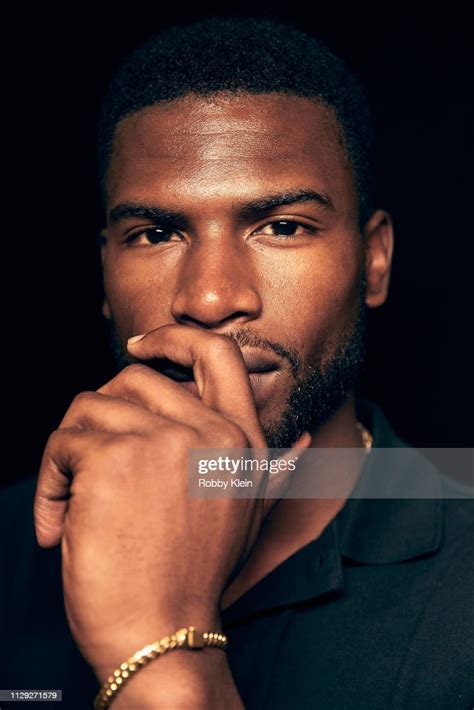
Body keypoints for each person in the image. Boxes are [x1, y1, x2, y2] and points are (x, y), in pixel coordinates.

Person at [1, 16, 473, 710]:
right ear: (105, 272)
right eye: (156, 233)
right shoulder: (13, 542)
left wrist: (165, 656)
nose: (211, 298)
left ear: (374, 261)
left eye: (283, 227)